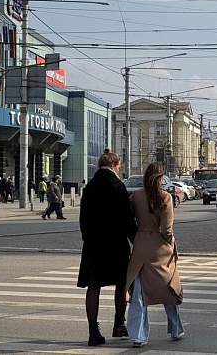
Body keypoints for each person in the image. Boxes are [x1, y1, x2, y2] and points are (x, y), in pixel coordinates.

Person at [77, 148, 137, 346]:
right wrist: (136, 241)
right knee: (121, 285)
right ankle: (119, 324)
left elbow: (83, 218)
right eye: (119, 166)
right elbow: (128, 219)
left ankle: (93, 332)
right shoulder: (118, 185)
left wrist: (88, 237)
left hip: (93, 245)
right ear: (114, 165)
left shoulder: (90, 186)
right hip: (116, 244)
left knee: (93, 286)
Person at [125, 162, 184, 348]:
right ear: (160, 178)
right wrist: (170, 243)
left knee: (139, 293)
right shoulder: (165, 197)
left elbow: (131, 220)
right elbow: (167, 228)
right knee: (169, 287)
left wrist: (138, 238)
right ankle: (175, 329)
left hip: (141, 244)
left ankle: (138, 336)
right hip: (160, 247)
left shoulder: (136, 196)